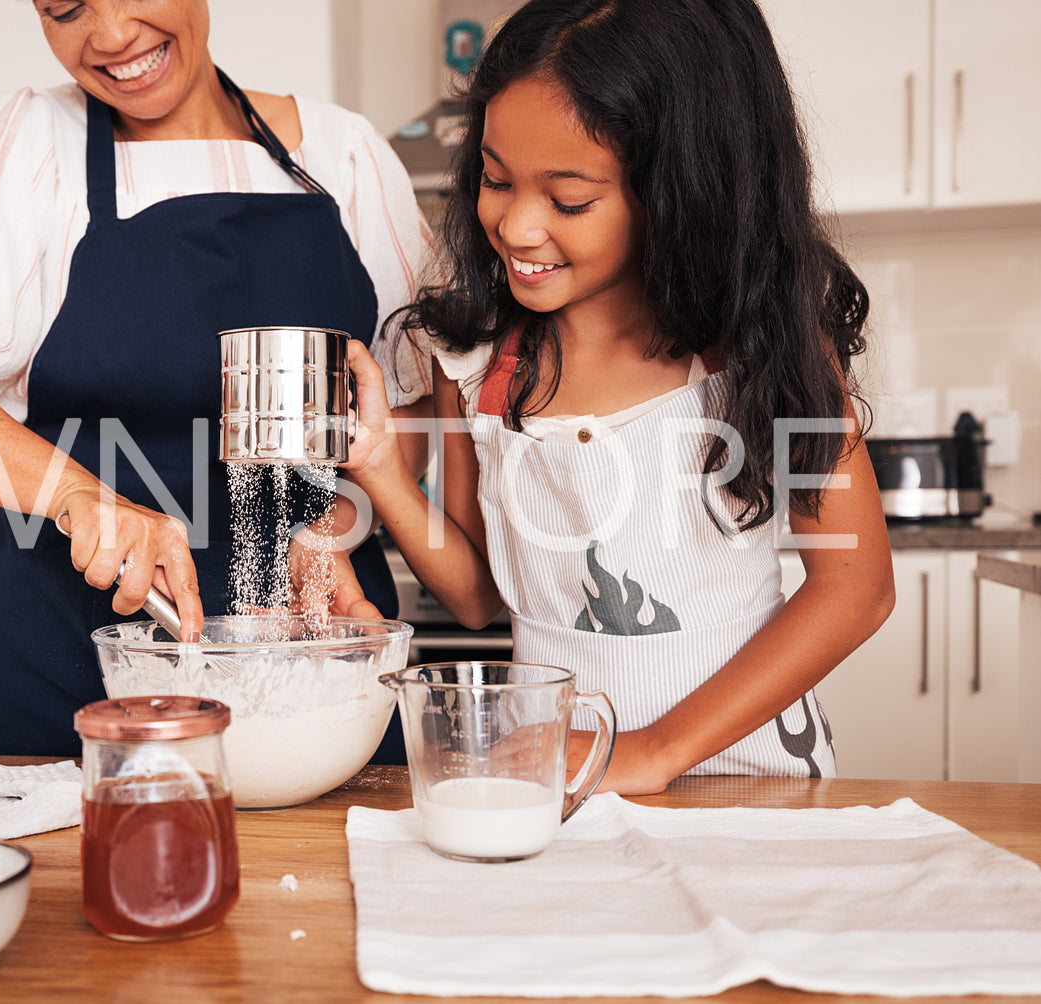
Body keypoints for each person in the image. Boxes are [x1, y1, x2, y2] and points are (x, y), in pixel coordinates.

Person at [0, 0, 434, 756]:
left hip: (316, 633)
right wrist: (79, 496)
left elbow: (400, 403)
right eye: (65, 8)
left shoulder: (345, 154)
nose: (108, 37)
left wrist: (329, 531)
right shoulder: (22, 142)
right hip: (62, 635)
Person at [340, 0, 896, 794]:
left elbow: (856, 590)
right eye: (495, 179)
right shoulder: (475, 361)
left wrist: (652, 750)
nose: (518, 226)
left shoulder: (762, 345)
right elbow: (472, 597)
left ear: (680, 191)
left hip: (748, 780)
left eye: (568, 201)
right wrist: (381, 470)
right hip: (562, 781)